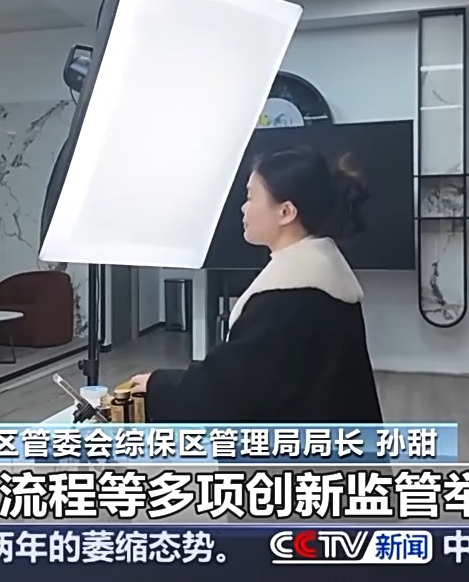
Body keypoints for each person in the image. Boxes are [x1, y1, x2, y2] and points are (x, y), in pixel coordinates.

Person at [127, 147, 383, 423]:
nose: (244, 207)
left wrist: (159, 387)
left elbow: (232, 390)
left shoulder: (290, 297)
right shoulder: (317, 270)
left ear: (285, 212)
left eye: (250, 196)